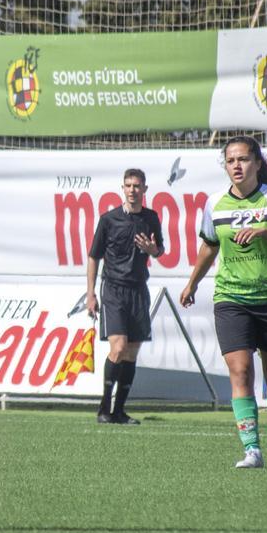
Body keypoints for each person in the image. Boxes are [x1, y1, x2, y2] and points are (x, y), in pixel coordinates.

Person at [180, 136, 267, 470]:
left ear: (257, 163)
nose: (236, 165)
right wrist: (192, 283)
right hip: (231, 298)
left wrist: (263, 232)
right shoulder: (215, 203)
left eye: (243, 159)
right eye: (230, 160)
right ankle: (252, 449)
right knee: (240, 370)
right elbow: (209, 246)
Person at [86, 168, 163, 425]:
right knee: (118, 347)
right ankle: (103, 408)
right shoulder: (109, 219)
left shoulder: (151, 218)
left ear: (144, 190)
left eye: (137, 186)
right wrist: (90, 294)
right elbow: (94, 257)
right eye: (128, 185)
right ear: (123, 188)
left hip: (138, 290)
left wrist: (153, 250)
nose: (132, 190)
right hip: (114, 289)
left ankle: (119, 411)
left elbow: (159, 250)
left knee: (131, 352)